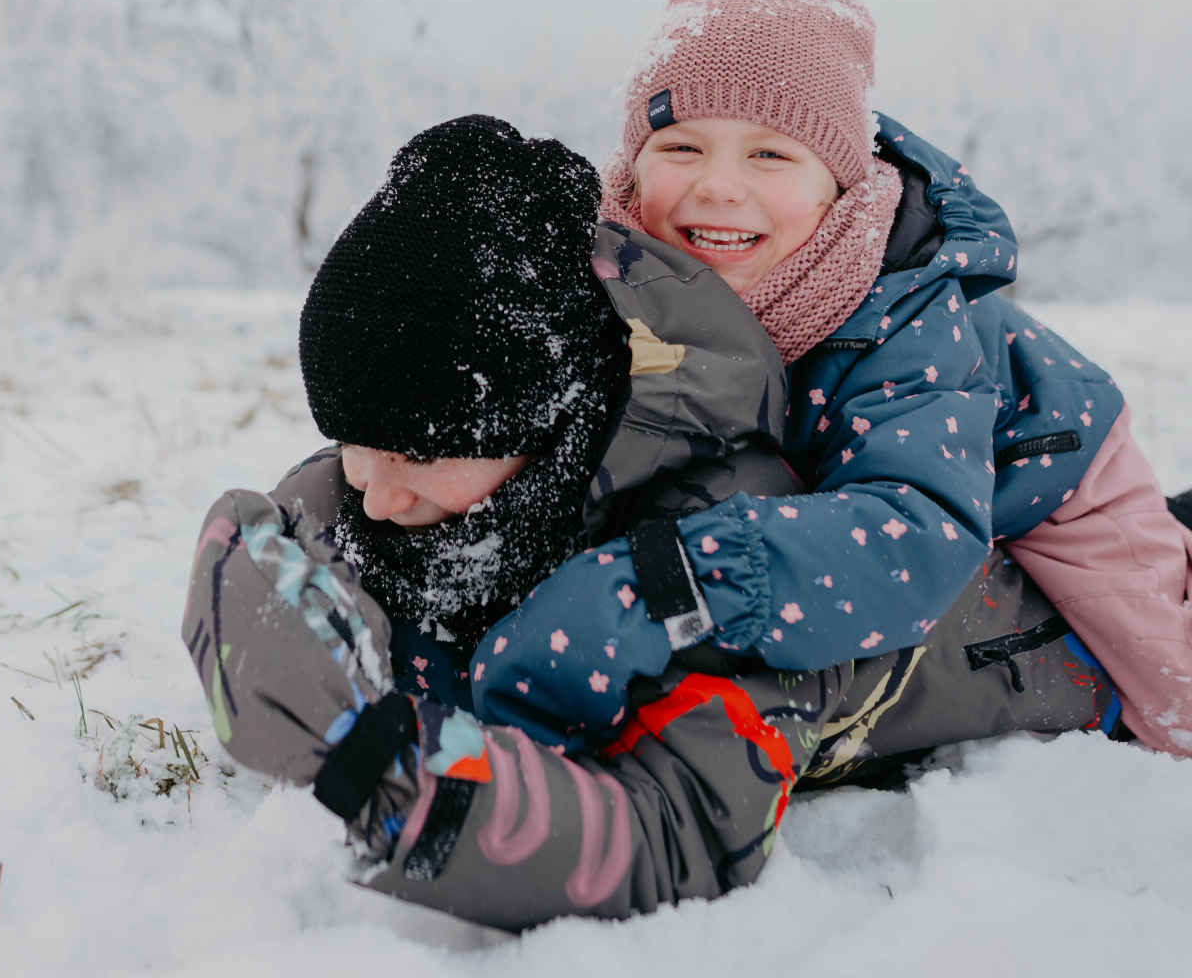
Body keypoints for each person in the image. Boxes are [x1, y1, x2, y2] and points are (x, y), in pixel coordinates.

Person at [182, 114, 1116, 933]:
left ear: (545, 426)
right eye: (353, 443)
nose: (376, 494)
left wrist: (382, 778)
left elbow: (675, 831)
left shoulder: (723, 541)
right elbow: (331, 512)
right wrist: (252, 564)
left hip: (1056, 642)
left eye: (415, 457)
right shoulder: (461, 473)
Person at [472, 0, 1192, 760]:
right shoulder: (624, 270)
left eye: (770, 153)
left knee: (1169, 707)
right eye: (682, 148)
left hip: (1050, 463)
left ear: (840, 186)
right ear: (631, 169)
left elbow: (915, 529)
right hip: (888, 452)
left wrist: (678, 580)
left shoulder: (898, 314)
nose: (719, 186)